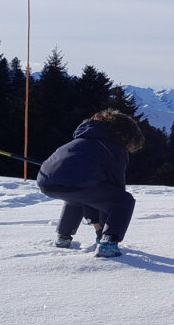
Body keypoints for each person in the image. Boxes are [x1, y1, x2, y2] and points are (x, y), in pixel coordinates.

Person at [36, 109, 145, 257]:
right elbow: (114, 190)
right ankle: (108, 244)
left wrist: (96, 222)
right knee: (123, 201)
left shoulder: (81, 140)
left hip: (46, 181)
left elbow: (91, 195)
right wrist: (102, 231)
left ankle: (63, 238)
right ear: (126, 136)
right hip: (76, 182)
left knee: (76, 197)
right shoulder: (114, 148)